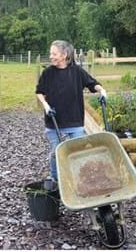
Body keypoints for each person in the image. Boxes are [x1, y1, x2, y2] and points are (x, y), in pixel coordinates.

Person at [35, 40, 107, 181]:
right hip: (53, 120)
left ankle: (78, 179)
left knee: (77, 152)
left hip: (74, 121)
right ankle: (55, 180)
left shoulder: (77, 72)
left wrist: (102, 91)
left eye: (54, 53)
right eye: (51, 53)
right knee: (57, 152)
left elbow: (93, 84)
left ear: (64, 54)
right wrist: (45, 105)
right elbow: (39, 91)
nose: (51, 56)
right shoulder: (48, 73)